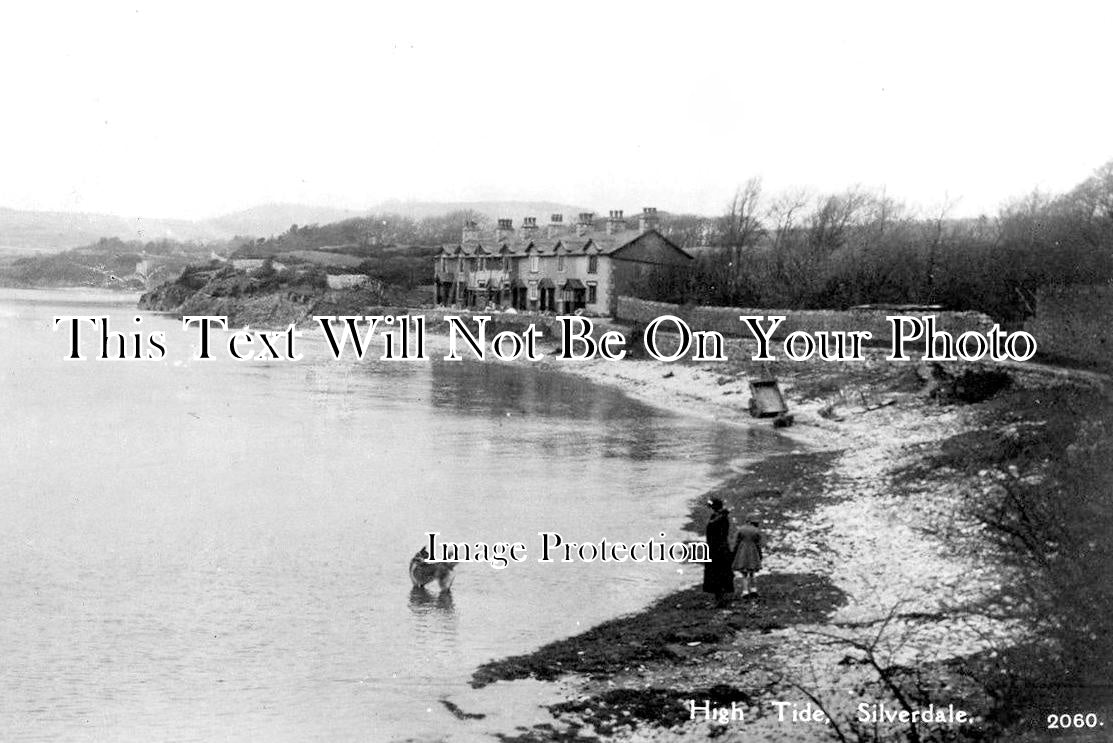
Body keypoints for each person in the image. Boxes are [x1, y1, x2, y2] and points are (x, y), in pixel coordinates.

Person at [702, 497, 735, 606]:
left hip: (718, 549)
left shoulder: (721, 518)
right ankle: (719, 598)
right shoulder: (719, 517)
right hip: (715, 548)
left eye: (711, 507)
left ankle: (720, 599)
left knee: (718, 573)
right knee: (716, 573)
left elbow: (715, 530)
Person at [733, 514, 763, 597]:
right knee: (752, 572)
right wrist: (760, 555)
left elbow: (736, 543)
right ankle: (754, 589)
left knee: (744, 573)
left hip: (742, 552)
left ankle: (745, 591)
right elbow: (758, 544)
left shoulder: (741, 529)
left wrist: (734, 553)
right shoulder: (756, 531)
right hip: (753, 552)